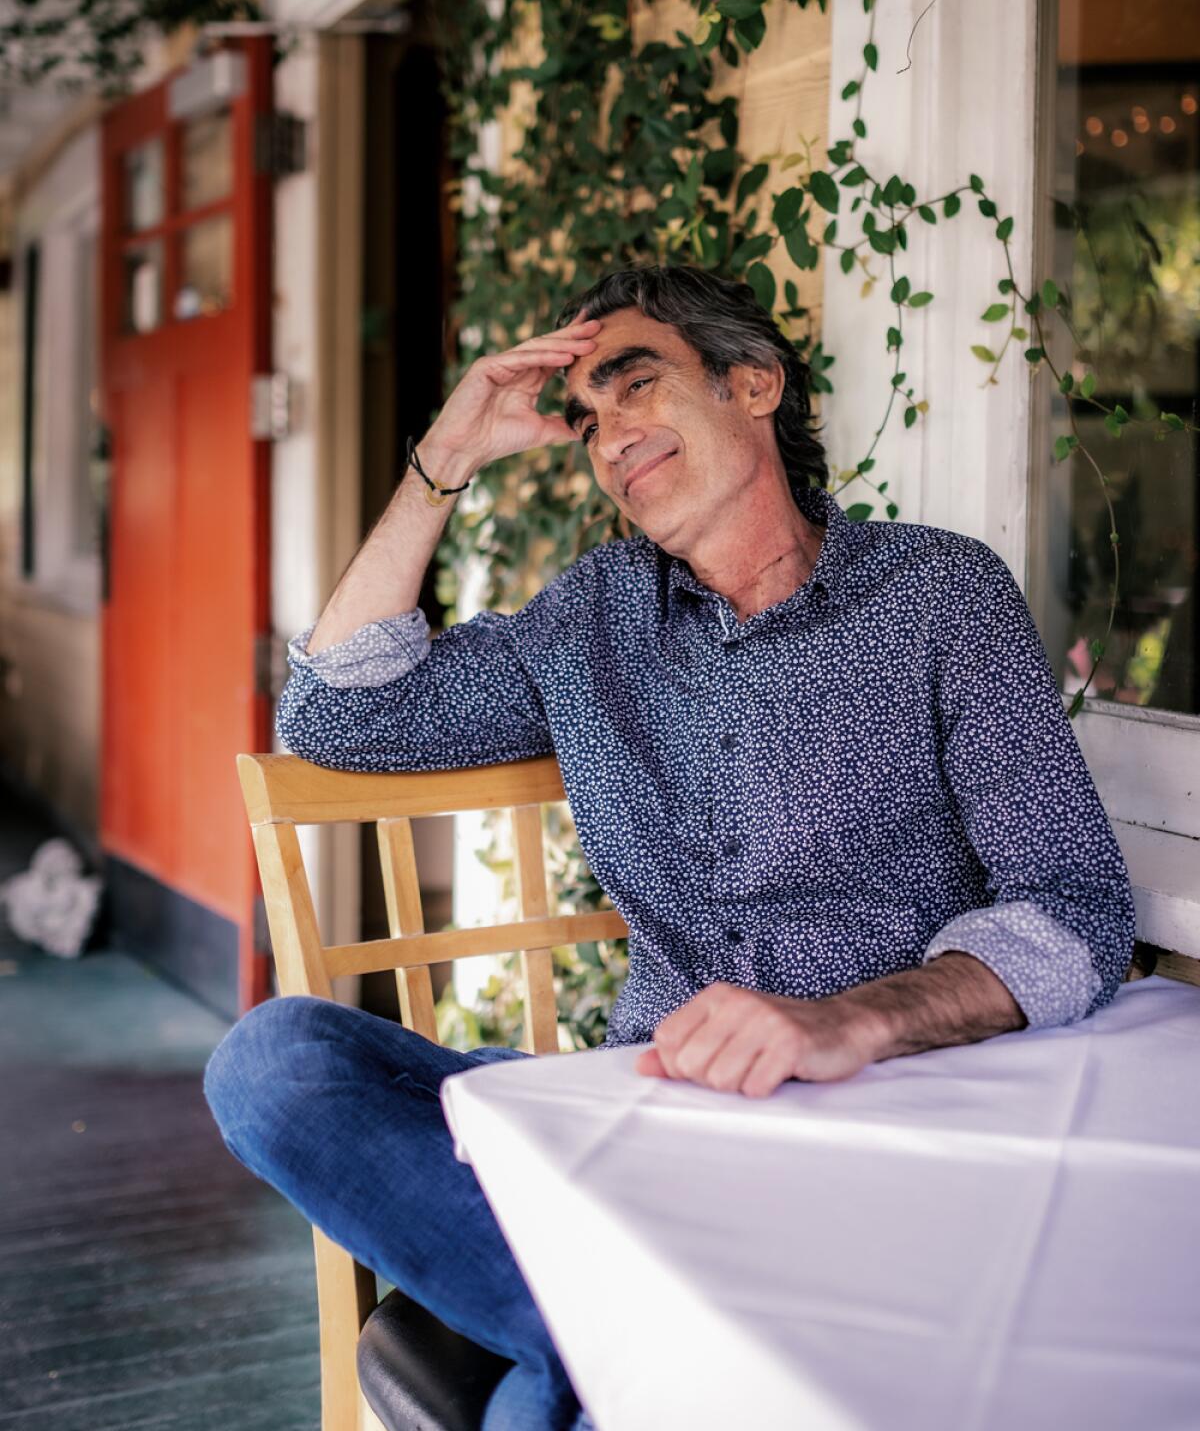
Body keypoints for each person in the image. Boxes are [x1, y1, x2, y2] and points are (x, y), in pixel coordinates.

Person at [205, 263, 1135, 1431]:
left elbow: (1073, 905)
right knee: (273, 1061)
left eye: (636, 387)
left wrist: (845, 1021)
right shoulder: (593, 615)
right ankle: (634, 1340)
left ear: (753, 385)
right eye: (587, 419)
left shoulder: (941, 595)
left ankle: (599, 1361)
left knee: (536, 1410)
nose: (608, 439)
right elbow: (339, 714)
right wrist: (442, 461)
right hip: (635, 1121)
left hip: (878, 1127)